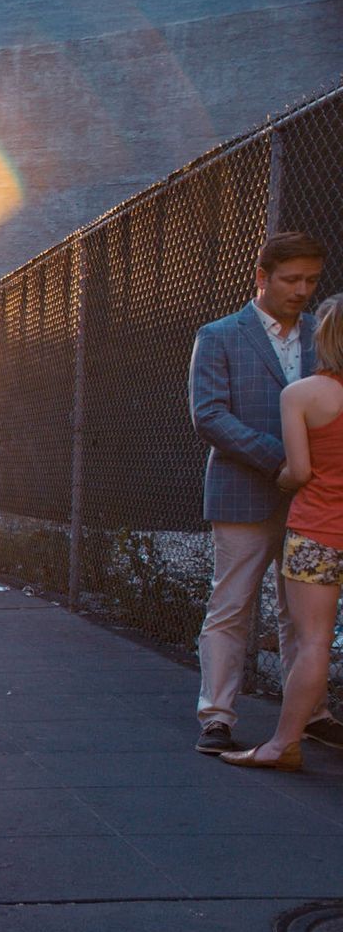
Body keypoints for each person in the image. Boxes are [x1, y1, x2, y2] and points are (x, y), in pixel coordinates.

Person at [189, 230, 343, 755]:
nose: (302, 290)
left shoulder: (321, 334)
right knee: (231, 604)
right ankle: (217, 716)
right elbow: (208, 415)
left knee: (301, 614)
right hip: (243, 491)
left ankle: (310, 714)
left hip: (314, 502)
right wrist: (283, 461)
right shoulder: (219, 335)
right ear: (261, 276)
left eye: (311, 280)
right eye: (291, 279)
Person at [224, 295, 343, 770]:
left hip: (317, 531)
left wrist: (284, 480)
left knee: (314, 641)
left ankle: (282, 745)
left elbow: (297, 470)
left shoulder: (303, 395)